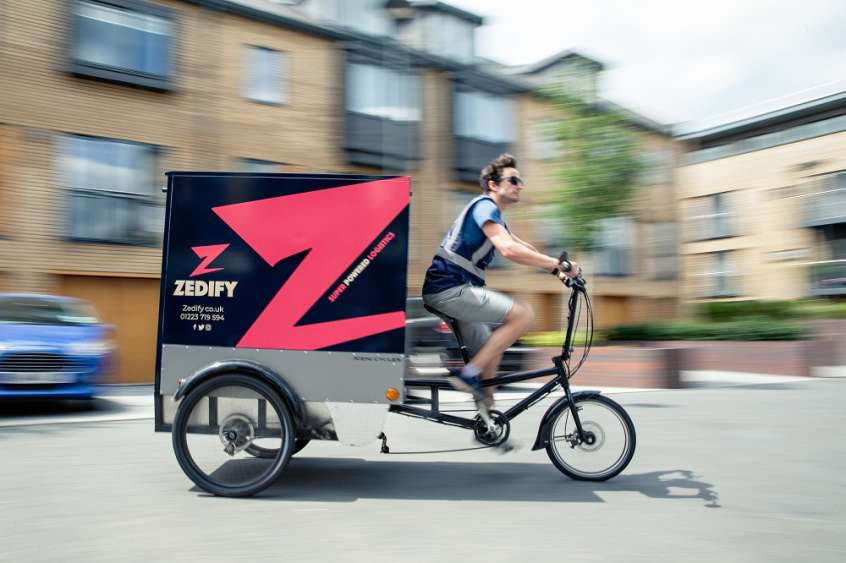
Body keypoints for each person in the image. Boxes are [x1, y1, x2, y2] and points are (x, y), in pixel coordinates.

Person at [421, 153, 580, 406]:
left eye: (520, 181)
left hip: (454, 289)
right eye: (514, 180)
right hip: (449, 289)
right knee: (522, 315)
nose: (520, 185)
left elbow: (521, 245)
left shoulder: (495, 216)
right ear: (494, 184)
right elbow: (508, 249)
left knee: (489, 349)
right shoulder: (485, 206)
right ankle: (467, 375)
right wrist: (557, 263)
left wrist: (556, 271)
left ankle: (488, 418)